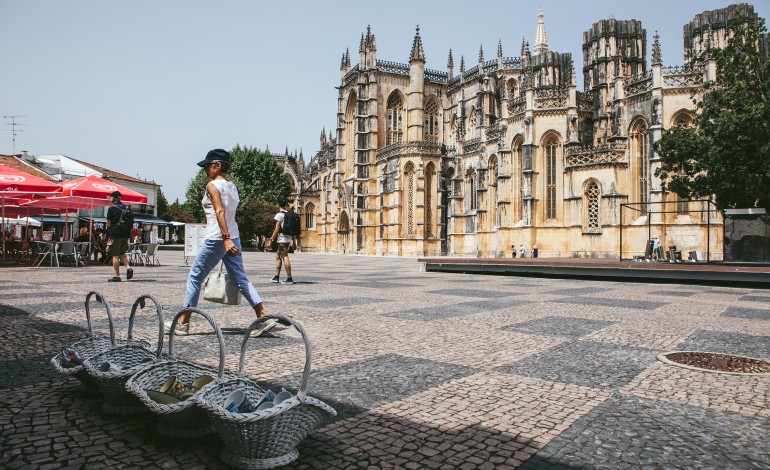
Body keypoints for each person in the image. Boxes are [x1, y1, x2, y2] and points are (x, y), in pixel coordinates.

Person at [168, 148, 274, 337]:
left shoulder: (212, 186)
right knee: (241, 278)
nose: (205, 170)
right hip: (234, 236)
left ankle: (183, 323)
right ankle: (262, 315)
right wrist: (229, 237)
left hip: (218, 237)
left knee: (195, 276)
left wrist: (224, 239)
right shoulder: (232, 187)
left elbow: (220, 212)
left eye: (207, 166)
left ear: (217, 166)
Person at [106, 191, 134, 282]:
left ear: (113, 198)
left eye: (110, 197)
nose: (109, 198)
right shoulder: (126, 208)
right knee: (122, 253)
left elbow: (109, 224)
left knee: (115, 254)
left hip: (116, 234)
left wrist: (108, 232)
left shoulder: (111, 209)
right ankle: (128, 267)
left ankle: (117, 276)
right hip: (126, 234)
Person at [270, 196, 298, 284]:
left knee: (285, 257)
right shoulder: (290, 214)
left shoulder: (279, 215)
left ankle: (289, 278)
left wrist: (271, 239)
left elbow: (277, 229)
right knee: (278, 256)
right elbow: (293, 229)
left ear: (278, 204)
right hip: (288, 238)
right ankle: (276, 276)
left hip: (282, 239)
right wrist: (294, 241)